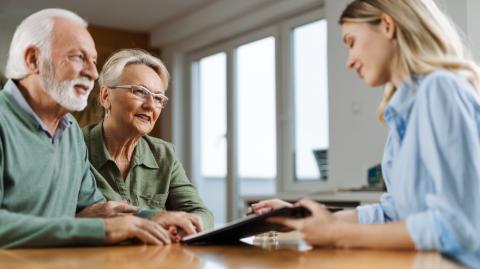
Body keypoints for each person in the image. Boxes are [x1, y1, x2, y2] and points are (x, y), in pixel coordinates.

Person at [251, 0, 480, 267]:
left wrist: (339, 234)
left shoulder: (439, 89)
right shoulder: (400, 117)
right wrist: (301, 218)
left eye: (351, 42)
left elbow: (460, 227)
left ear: (386, 25)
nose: (349, 62)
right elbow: (393, 214)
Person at [0, 9, 177, 247]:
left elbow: (95, 209)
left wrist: (156, 217)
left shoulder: (71, 129)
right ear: (33, 60)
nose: (93, 73)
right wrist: (100, 230)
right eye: (77, 57)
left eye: (93, 61)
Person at [83, 49, 213, 232]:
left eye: (158, 98)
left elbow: (201, 213)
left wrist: (187, 227)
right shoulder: (74, 146)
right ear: (106, 96)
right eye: (139, 92)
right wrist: (153, 218)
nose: (151, 105)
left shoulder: (164, 154)